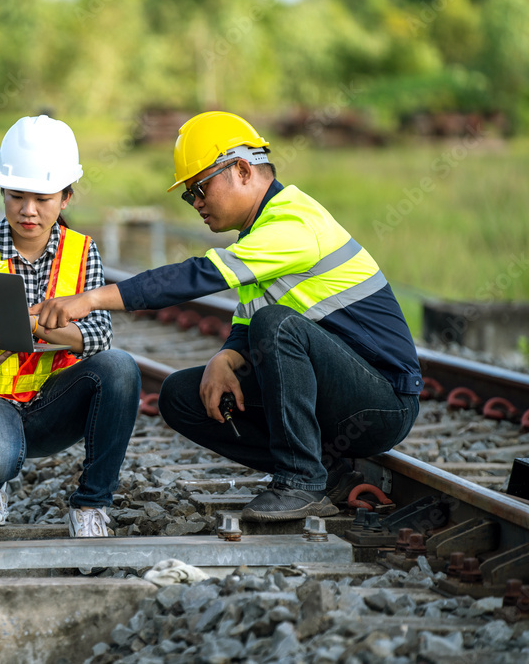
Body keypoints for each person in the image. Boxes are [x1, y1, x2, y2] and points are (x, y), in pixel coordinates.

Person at [31, 111, 423, 523]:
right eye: (188, 196)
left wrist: (92, 299)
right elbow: (246, 320)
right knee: (182, 396)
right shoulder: (257, 236)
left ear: (240, 170)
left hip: (383, 402)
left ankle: (301, 481)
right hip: (337, 394)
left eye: (200, 188)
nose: (196, 203)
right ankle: (332, 475)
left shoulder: (293, 222)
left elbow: (197, 276)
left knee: (277, 324)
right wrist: (225, 357)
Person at [0, 115, 141, 537]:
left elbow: (99, 336)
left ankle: (91, 505)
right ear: (2, 192)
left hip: (52, 404)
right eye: (16, 196)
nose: (28, 210)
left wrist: (33, 324)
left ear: (66, 198)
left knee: (120, 367)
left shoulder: (83, 252)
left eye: (43, 198)